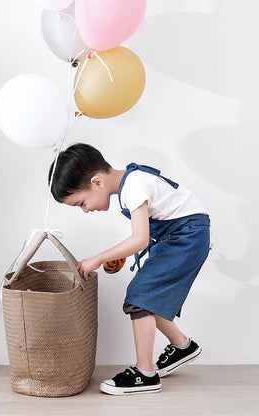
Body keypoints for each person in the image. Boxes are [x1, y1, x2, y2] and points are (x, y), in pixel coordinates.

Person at [48, 143, 210, 395]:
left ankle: (145, 373)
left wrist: (98, 258)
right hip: (181, 235)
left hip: (186, 236)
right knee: (148, 296)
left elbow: (140, 239)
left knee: (140, 294)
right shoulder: (131, 182)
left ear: (97, 183)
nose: (86, 209)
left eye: (81, 203)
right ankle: (182, 346)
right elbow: (145, 232)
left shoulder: (133, 186)